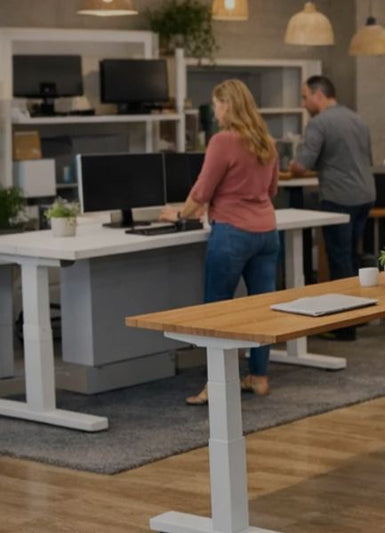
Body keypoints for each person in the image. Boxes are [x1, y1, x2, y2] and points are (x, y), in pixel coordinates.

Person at [161, 80, 281, 405]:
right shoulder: (267, 141)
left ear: (227, 105)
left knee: (217, 310)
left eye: (216, 106)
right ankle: (259, 377)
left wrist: (179, 214)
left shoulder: (223, 141)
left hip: (232, 234)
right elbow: (271, 190)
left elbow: (202, 190)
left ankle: (216, 385)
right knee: (262, 308)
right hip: (267, 233)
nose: (215, 113)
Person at [289, 75, 375, 341]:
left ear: (319, 95)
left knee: (339, 261)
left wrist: (291, 165)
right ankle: (358, 316)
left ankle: (345, 327)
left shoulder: (319, 123)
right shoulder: (357, 119)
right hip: (365, 195)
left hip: (339, 198)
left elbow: (303, 165)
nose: (303, 103)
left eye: (305, 97)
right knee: (352, 257)